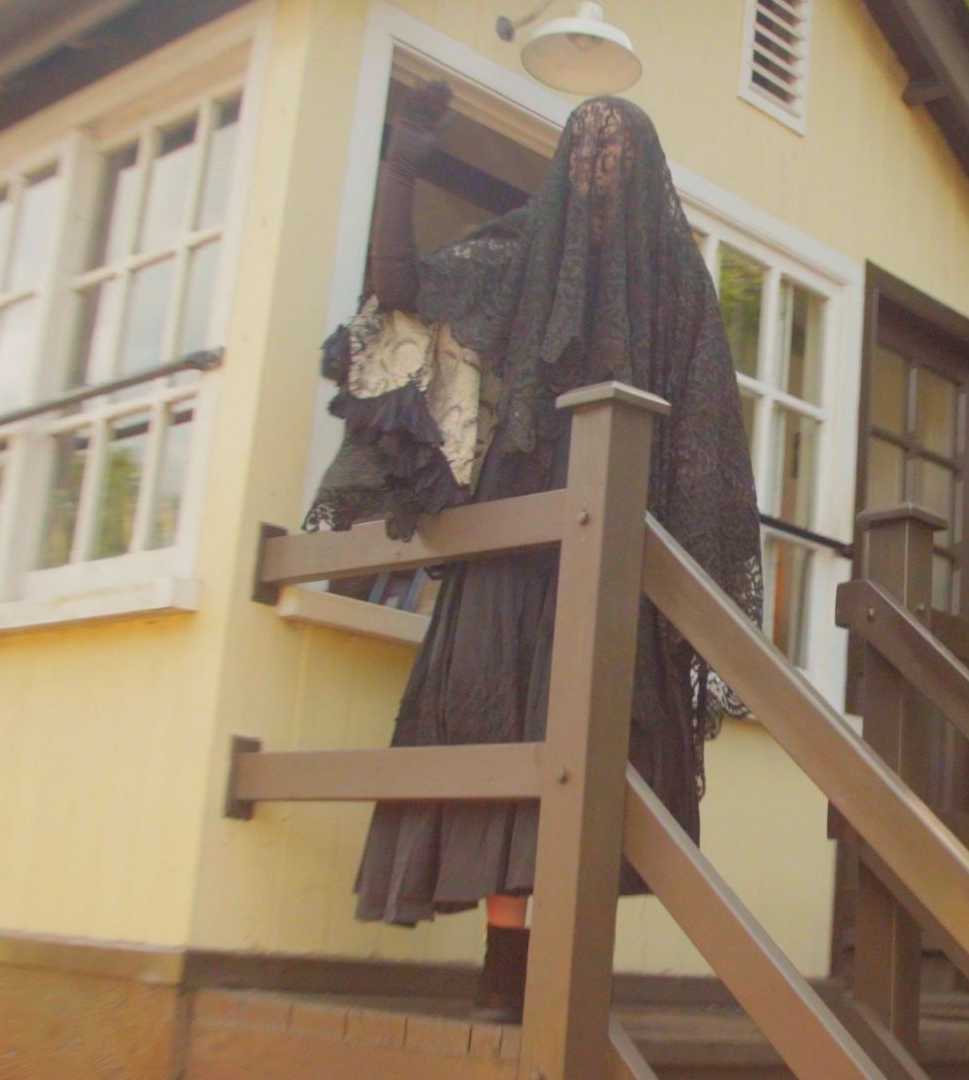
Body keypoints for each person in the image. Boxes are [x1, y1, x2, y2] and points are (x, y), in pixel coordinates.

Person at [306, 85, 764, 1022]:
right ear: (564, 163)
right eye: (585, 146)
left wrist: (686, 567)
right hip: (514, 539)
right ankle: (503, 970)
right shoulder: (518, 250)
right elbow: (397, 293)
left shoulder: (677, 281)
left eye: (618, 148)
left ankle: (563, 970)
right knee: (497, 733)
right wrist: (403, 160)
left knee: (593, 753)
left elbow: (708, 438)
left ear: (644, 168)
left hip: (619, 544)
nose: (600, 163)